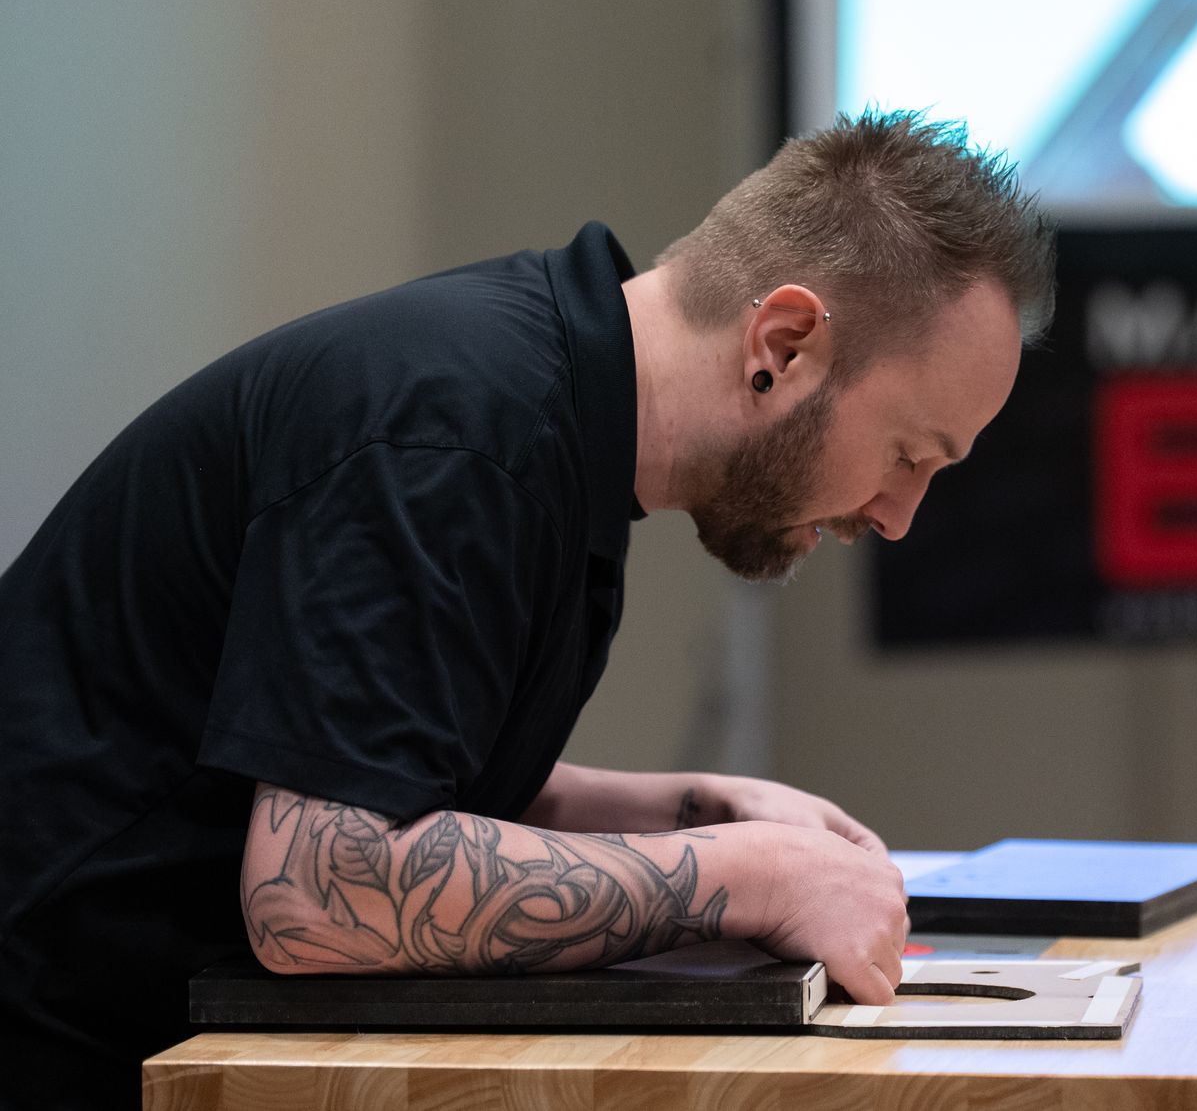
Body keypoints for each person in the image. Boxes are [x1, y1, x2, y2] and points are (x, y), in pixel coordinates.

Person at [0, 110, 1057, 1108]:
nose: (900, 511)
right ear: (782, 344)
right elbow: (321, 889)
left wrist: (685, 805)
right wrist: (748, 876)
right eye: (911, 453)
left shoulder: (539, 416)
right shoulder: (458, 436)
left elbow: (377, 764)